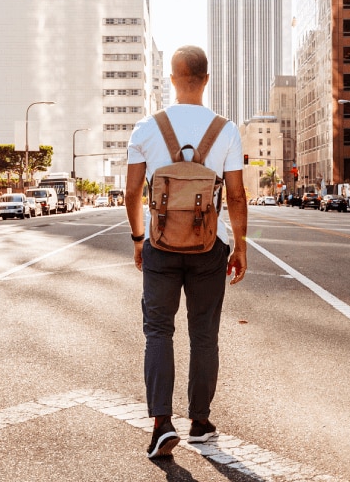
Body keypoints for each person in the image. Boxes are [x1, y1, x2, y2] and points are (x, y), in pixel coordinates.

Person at [125, 46, 247, 460]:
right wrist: (241, 246)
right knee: (204, 335)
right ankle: (200, 421)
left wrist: (139, 239)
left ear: (172, 80)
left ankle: (161, 424)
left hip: (160, 244)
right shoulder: (225, 130)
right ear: (206, 80)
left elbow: (131, 193)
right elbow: (236, 194)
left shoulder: (146, 128)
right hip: (210, 245)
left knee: (158, 331)